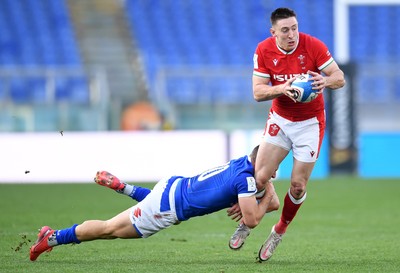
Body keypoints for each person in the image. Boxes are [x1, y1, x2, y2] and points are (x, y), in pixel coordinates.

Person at [228, 7, 345, 262]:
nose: (292, 34)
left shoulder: (313, 46)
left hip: (310, 123)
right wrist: (283, 87)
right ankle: (250, 221)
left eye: (294, 28)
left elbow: (340, 76)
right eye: (285, 30)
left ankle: (279, 230)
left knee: (298, 185)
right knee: (258, 177)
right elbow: (258, 92)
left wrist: (325, 81)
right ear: (273, 32)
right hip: (280, 120)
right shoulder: (263, 50)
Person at [29, 146, 278, 261]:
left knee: (143, 210)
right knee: (109, 230)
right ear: (261, 164)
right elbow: (253, 219)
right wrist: (267, 188)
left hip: (171, 185)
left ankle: (123, 187)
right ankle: (52, 237)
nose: (275, 173)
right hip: (168, 207)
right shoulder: (246, 180)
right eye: (273, 168)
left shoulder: (242, 162)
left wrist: (263, 189)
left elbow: (272, 204)